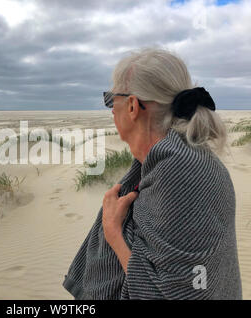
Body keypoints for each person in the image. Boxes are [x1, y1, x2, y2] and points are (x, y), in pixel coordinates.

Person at [62, 47, 242, 299]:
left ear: (133, 106)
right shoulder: (175, 160)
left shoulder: (179, 172)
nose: (111, 109)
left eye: (110, 99)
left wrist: (113, 231)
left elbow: (169, 293)